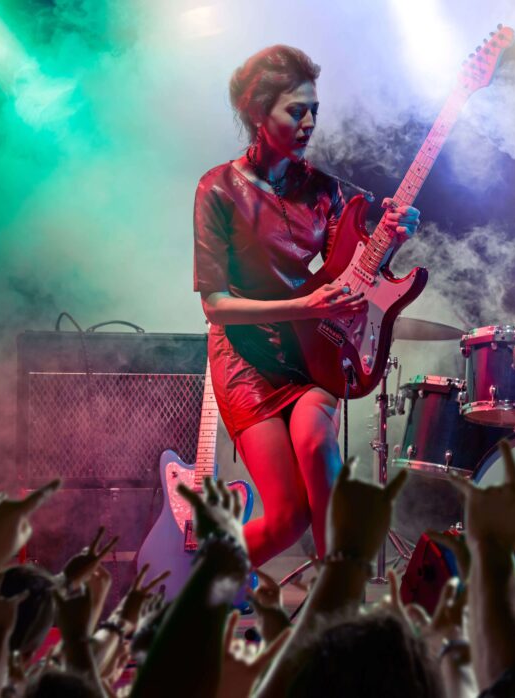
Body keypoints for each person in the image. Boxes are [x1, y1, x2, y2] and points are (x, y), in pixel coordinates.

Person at [193, 45, 420, 566]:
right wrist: (308, 305)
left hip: (312, 350)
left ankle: (336, 605)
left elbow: (354, 271)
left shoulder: (324, 190)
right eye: (296, 110)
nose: (310, 121)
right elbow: (216, 306)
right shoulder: (217, 189)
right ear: (257, 112)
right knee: (286, 517)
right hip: (244, 357)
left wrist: (393, 238)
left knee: (319, 447)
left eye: (313, 109)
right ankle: (203, 583)